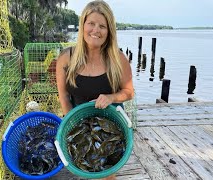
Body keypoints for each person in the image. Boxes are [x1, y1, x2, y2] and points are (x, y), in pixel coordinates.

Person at [56, 1, 134, 179]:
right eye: (91, 23)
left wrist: (111, 97)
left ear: (109, 31)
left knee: (106, 173)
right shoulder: (66, 58)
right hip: (79, 125)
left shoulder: (118, 59)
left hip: (110, 129)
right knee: (85, 170)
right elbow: (64, 97)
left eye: (102, 26)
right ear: (83, 24)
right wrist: (73, 125)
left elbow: (129, 92)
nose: (96, 30)